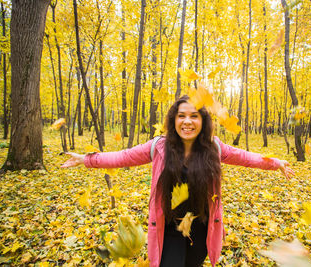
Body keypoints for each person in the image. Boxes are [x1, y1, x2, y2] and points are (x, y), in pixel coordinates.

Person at [61, 95, 294, 267]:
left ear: (203, 120)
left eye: (194, 116)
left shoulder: (214, 147)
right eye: (181, 116)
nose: (187, 121)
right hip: (169, 227)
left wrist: (276, 162)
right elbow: (123, 156)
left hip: (201, 228)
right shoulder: (158, 147)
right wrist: (87, 159)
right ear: (173, 120)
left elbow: (246, 157)